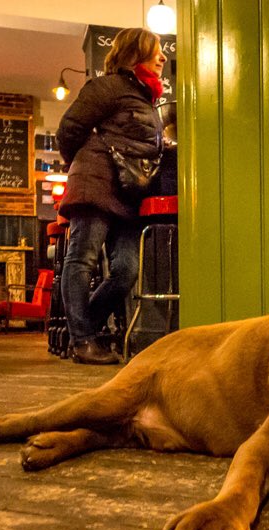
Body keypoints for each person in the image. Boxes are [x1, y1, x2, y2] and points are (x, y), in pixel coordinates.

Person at [55, 28, 167, 364]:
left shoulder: (146, 96)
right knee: (82, 262)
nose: (163, 57)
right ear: (135, 54)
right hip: (96, 182)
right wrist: (88, 162)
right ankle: (83, 342)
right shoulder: (106, 87)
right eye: (156, 51)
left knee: (126, 271)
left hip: (128, 191)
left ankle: (84, 329)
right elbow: (68, 130)